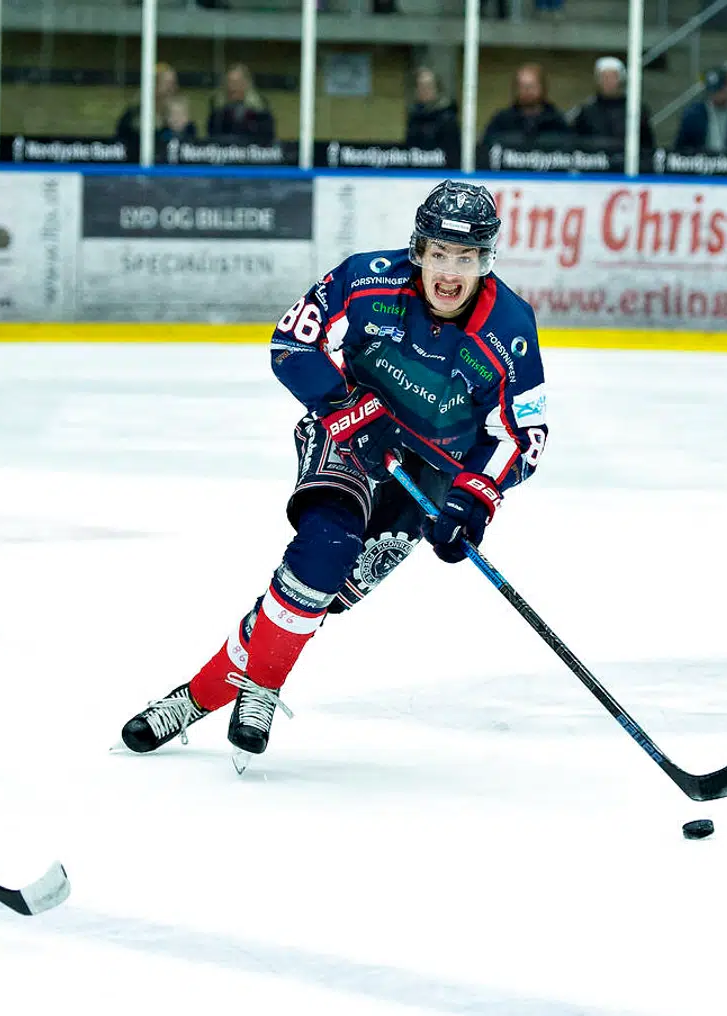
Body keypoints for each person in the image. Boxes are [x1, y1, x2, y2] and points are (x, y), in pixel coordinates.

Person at [119, 181, 548, 767]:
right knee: (325, 550)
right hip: (349, 428)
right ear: (419, 250)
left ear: (486, 261)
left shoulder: (512, 328)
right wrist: (347, 410)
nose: (450, 272)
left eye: (467, 257)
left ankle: (194, 698)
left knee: (318, 596)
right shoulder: (367, 278)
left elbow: (521, 436)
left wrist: (472, 501)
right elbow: (291, 344)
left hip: (428, 473)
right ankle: (262, 689)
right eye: (440, 254)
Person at [571, 56, 655, 151]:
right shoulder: (586, 111)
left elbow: (647, 144)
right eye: (604, 77)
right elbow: (577, 142)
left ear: (620, 79)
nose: (608, 81)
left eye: (612, 77)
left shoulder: (635, 109)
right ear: (598, 80)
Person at [481, 63, 570, 148]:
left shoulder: (557, 121)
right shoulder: (501, 121)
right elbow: (485, 149)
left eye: (531, 86)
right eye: (522, 86)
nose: (527, 91)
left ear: (543, 87)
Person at [116, 62, 183, 148]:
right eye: (168, 84)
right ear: (153, 86)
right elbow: (121, 146)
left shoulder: (181, 116)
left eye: (174, 84)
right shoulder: (133, 116)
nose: (173, 89)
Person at [207, 63, 276, 144]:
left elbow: (268, 139)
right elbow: (211, 138)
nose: (231, 87)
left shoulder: (261, 110)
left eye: (236, 82)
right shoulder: (218, 111)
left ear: (246, 84)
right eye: (229, 82)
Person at [404, 67, 460, 161]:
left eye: (428, 86)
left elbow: (453, 154)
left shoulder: (447, 118)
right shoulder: (414, 116)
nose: (424, 90)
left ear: (437, 89)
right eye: (420, 86)